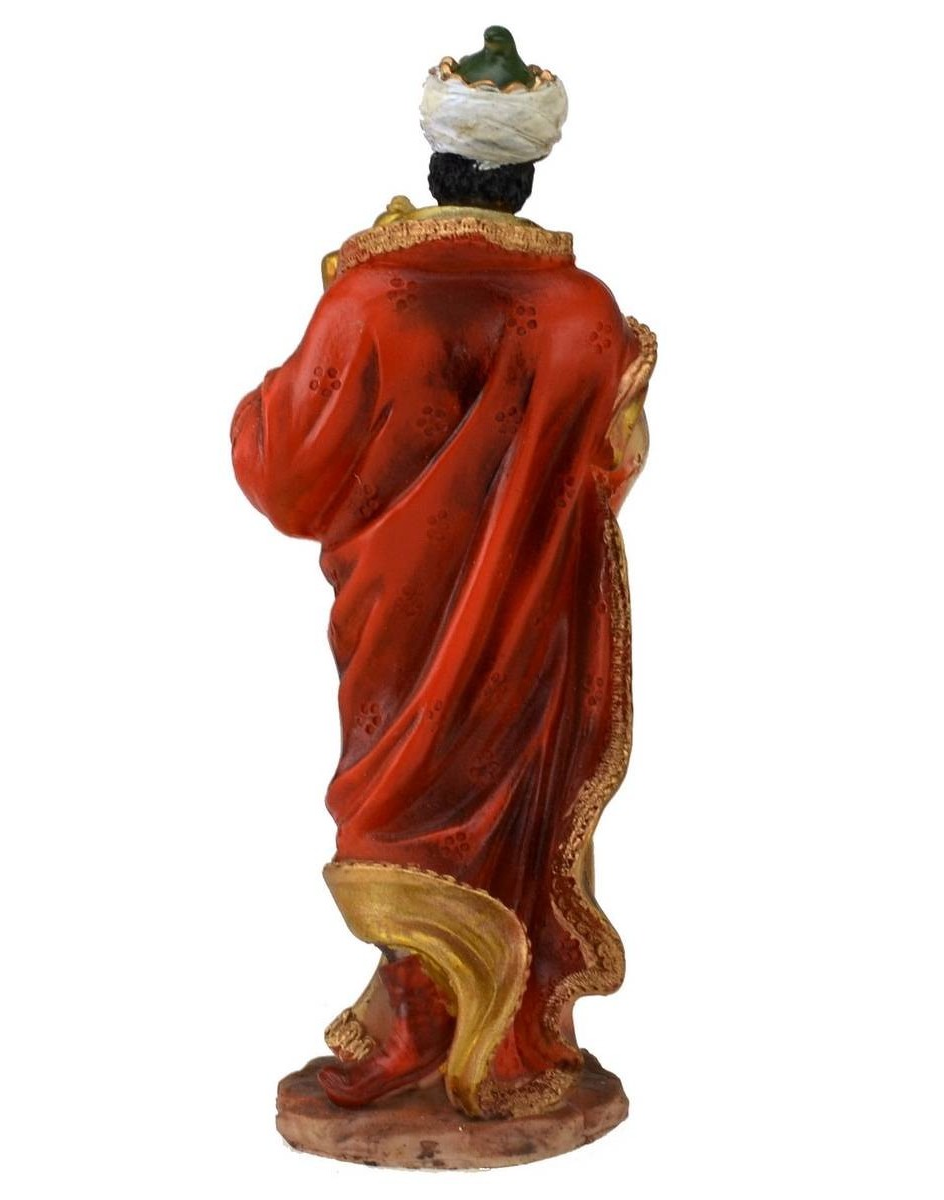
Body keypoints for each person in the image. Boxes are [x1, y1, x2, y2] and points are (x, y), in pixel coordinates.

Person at [231, 27, 656, 1120]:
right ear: (528, 170)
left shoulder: (374, 299)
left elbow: (284, 470)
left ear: (438, 162)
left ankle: (434, 1022)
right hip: (535, 622)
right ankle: (486, 1031)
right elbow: (607, 468)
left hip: (401, 621)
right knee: (505, 811)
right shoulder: (584, 311)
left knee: (402, 807)